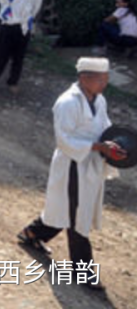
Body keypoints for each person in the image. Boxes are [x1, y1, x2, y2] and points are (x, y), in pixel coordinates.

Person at [18, 57, 124, 292]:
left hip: (90, 163)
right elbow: (64, 140)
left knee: (69, 208)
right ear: (84, 78)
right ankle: (83, 270)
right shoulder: (67, 103)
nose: (104, 84)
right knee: (77, 215)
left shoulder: (99, 100)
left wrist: (114, 144)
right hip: (73, 164)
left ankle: (32, 232)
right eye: (100, 79)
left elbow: (105, 128)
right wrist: (98, 147)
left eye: (106, 79)